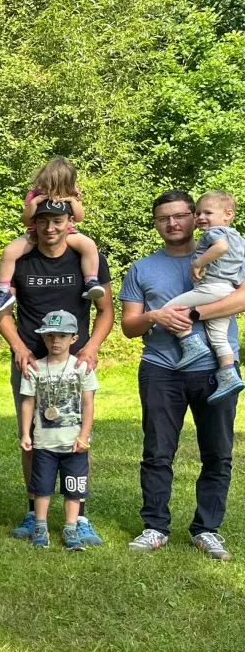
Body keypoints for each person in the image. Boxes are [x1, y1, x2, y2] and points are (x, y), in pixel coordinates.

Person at [119, 190, 239, 559]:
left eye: (180, 215)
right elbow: (128, 326)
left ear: (194, 217)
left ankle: (207, 530)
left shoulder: (225, 250)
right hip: (160, 369)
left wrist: (193, 316)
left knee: (217, 454)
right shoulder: (142, 268)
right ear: (156, 224)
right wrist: (155, 316)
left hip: (214, 371)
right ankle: (155, 527)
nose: (173, 223)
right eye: (163, 218)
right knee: (157, 452)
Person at [0, 198, 112, 547]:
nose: (51, 228)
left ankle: (80, 516)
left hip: (75, 364)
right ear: (34, 222)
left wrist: (90, 348)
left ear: (68, 221)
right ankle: (36, 511)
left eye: (57, 221)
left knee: (77, 435)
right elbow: (1, 312)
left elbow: (106, 311)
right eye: (43, 221)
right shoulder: (20, 257)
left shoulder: (86, 257)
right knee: (32, 434)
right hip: (32, 364)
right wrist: (19, 347)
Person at [19, 310, 99, 550]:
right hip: (44, 441)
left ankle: (71, 527)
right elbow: (28, 401)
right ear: (43, 338)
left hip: (74, 442)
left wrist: (84, 435)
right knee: (41, 486)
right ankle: (40, 526)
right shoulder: (35, 368)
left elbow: (88, 403)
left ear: (74, 338)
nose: (56, 341)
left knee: (74, 487)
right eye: (50, 336)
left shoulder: (81, 367)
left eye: (62, 336)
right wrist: (25, 432)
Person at [0, 157, 106, 313]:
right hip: (34, 234)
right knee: (9, 252)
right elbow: (25, 220)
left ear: (66, 185)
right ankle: (3, 290)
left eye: (50, 187)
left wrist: (72, 201)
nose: (45, 189)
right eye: (44, 185)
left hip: (67, 233)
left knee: (89, 245)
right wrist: (33, 204)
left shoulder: (72, 193)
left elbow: (79, 217)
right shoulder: (34, 194)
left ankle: (90, 280)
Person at [163, 190, 245, 399]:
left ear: (228, 214)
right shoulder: (239, 239)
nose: (200, 218)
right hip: (228, 291)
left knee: (169, 310)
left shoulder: (213, 234)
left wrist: (199, 262)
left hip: (211, 288)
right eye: (198, 213)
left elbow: (221, 247)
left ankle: (191, 345)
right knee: (218, 336)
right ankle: (228, 375)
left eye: (207, 213)